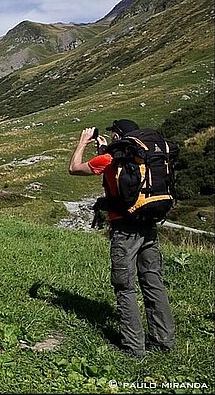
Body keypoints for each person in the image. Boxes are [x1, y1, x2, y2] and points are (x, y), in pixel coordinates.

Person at [68, 119, 175, 358]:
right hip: (148, 223)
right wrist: (105, 151)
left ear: (119, 136)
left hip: (125, 229)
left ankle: (133, 349)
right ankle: (164, 341)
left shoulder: (111, 158)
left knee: (124, 286)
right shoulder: (141, 157)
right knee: (153, 282)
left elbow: (74, 168)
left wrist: (83, 142)